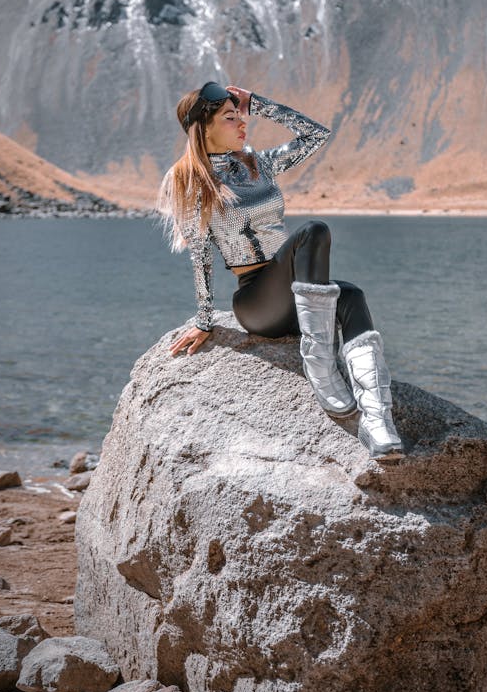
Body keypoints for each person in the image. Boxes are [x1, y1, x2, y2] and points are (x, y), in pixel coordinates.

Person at [157, 80, 403, 460]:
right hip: (258, 301)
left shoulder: (258, 164)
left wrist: (258, 103)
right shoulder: (190, 178)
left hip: (298, 299)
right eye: (229, 117)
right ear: (203, 128)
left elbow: (315, 135)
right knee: (312, 232)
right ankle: (322, 371)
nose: (242, 123)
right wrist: (205, 321)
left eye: (241, 115)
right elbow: (201, 255)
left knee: (352, 295)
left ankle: (377, 422)